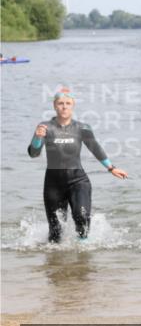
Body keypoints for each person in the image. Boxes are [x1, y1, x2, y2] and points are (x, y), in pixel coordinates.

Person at [28, 88, 129, 242]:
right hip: (53, 184)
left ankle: (83, 253)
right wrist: (37, 137)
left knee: (81, 217)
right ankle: (55, 263)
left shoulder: (82, 128)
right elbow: (33, 153)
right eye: (60, 103)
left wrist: (111, 168)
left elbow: (95, 148)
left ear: (73, 106)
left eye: (68, 103)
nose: (64, 106)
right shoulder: (45, 127)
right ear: (55, 106)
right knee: (55, 233)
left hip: (78, 180)